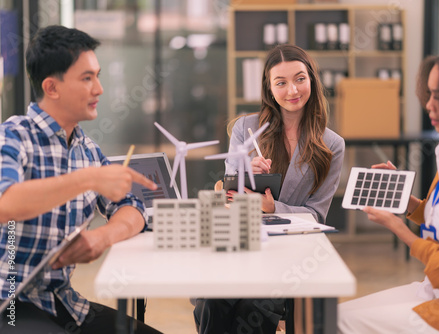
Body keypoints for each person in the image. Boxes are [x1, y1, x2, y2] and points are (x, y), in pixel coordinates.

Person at [0, 25, 162, 333]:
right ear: (52, 88)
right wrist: (87, 179)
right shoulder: (13, 136)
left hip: (63, 301)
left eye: (97, 76)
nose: (99, 88)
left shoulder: (88, 149)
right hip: (9, 304)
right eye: (87, 78)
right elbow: (5, 203)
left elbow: (133, 207)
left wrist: (101, 238)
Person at [338, 44, 439, 333]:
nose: (429, 105)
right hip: (436, 292)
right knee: (335, 314)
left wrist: (400, 229)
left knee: (338, 322)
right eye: (429, 95)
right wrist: (405, 200)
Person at [194, 44, 345, 333]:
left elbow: (317, 216)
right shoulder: (245, 129)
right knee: (210, 302)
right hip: (241, 245)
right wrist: (243, 175)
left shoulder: (331, 145)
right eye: (281, 83)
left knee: (253, 308)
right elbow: (226, 198)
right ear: (269, 88)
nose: (292, 90)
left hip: (291, 256)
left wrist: (273, 208)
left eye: (300, 79)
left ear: (312, 79)